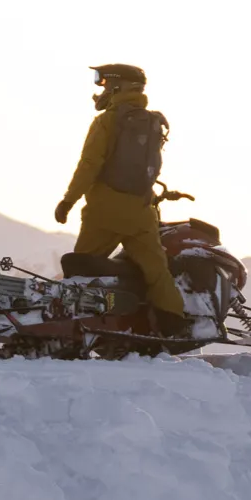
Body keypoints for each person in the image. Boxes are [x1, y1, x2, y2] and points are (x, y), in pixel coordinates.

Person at [54, 63, 186, 332]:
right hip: (141, 211)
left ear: (117, 86)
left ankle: (74, 328)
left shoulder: (107, 121)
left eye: (103, 84)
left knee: (81, 270)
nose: (100, 90)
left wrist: (68, 200)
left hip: (105, 210)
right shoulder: (151, 122)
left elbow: (89, 165)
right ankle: (173, 326)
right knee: (157, 272)